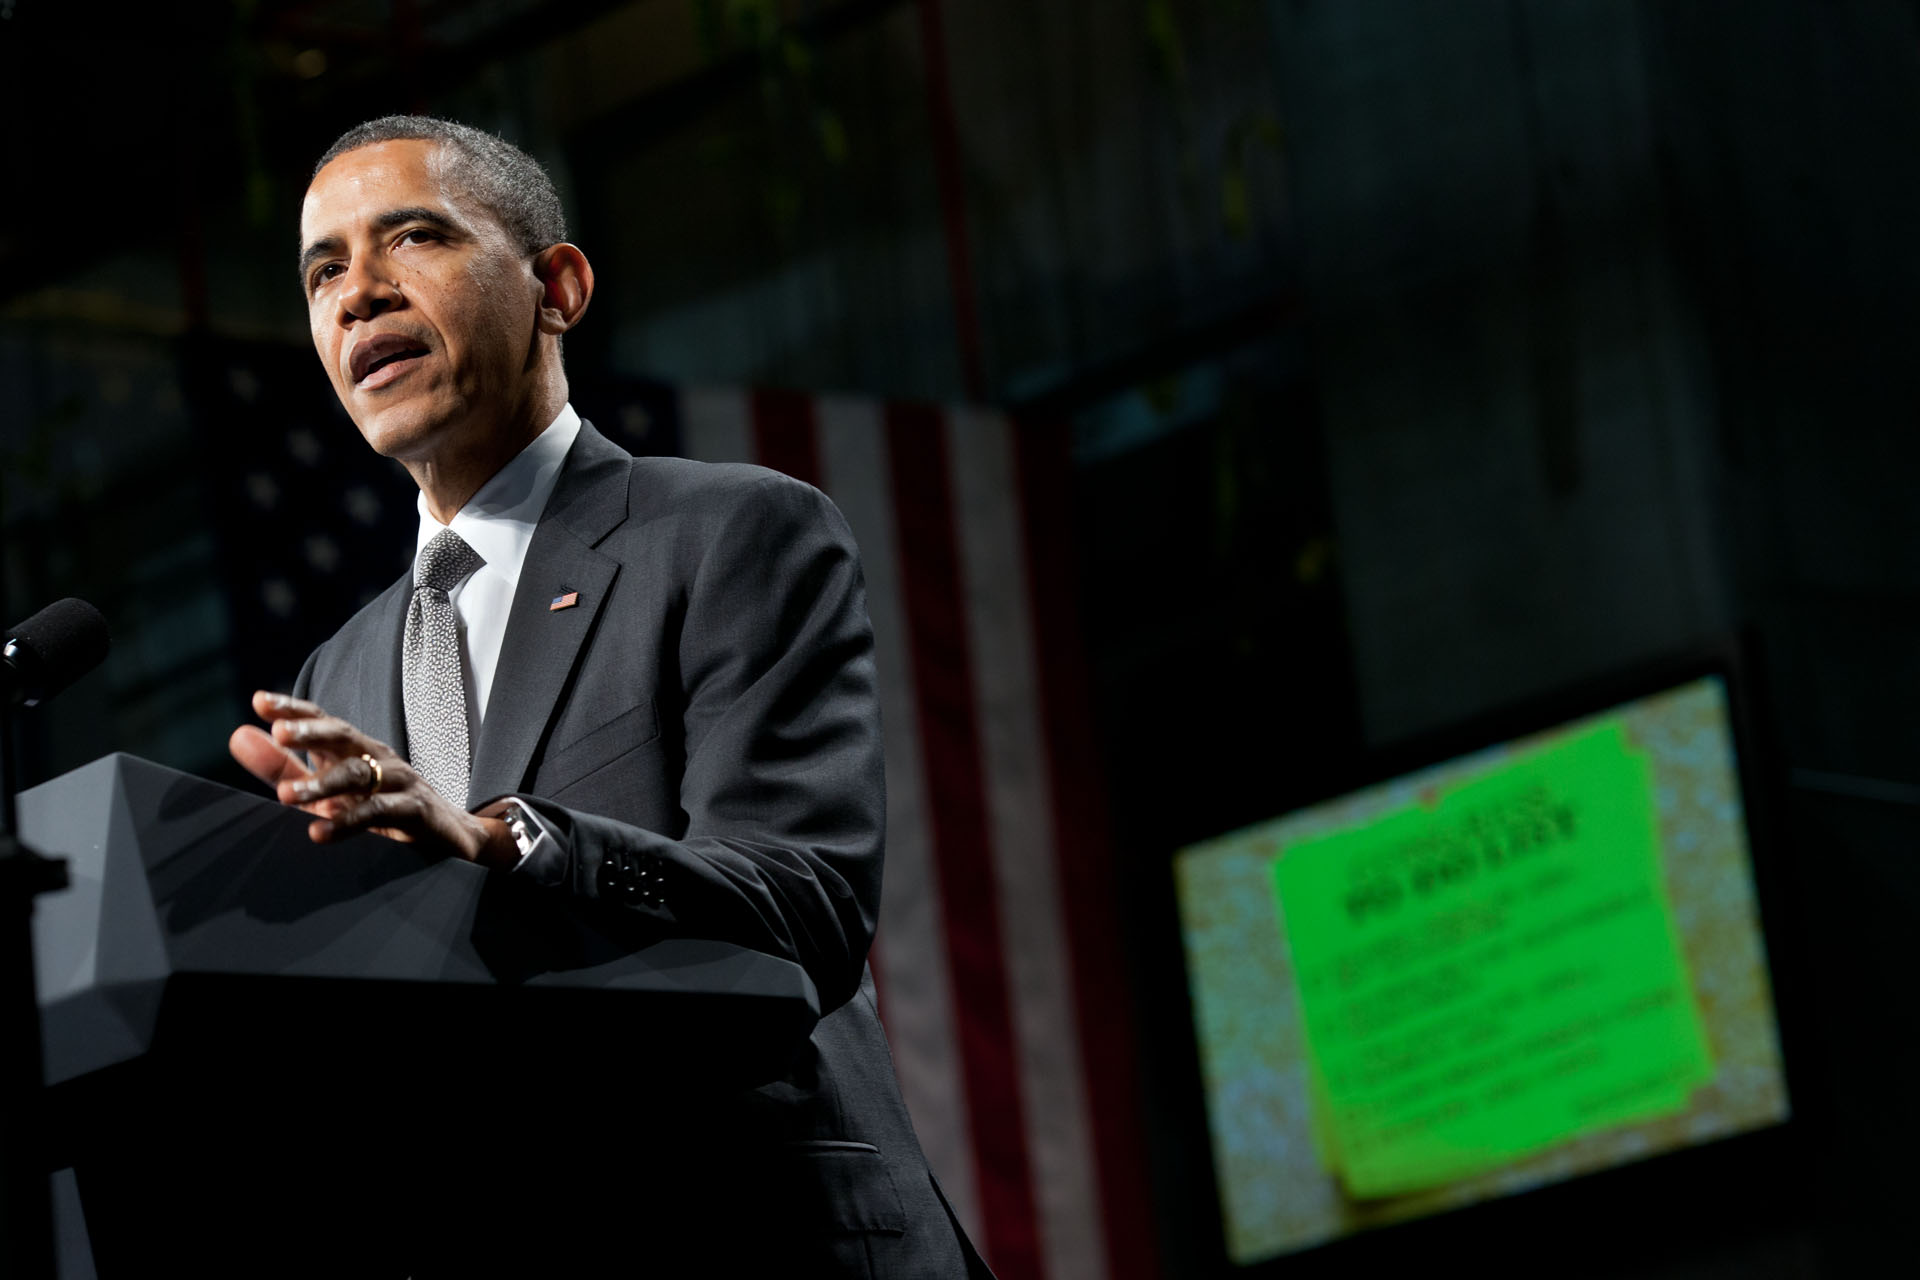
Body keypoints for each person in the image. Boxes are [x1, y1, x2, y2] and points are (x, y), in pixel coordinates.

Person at [221, 115, 987, 1277]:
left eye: (410, 238)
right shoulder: (338, 676)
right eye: (323, 270)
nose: (357, 294)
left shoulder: (732, 533)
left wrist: (508, 841)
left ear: (557, 287)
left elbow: (806, 901)